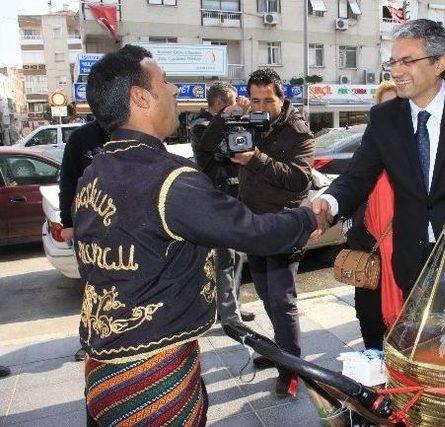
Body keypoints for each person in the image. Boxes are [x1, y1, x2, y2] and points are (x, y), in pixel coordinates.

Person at [79, 45, 318, 426]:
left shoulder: (97, 168)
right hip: (153, 374)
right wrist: (310, 216)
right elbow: (252, 231)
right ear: (141, 97)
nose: (175, 91)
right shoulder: (169, 178)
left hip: (103, 365)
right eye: (166, 82)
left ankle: (286, 362)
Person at [313, 19, 445, 300]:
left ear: (439, 63)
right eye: (392, 62)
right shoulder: (385, 118)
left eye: (407, 61)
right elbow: (357, 177)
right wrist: (328, 204)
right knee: (422, 344)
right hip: (413, 262)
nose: (396, 71)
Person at [202, 69, 315, 398]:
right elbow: (208, 150)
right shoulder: (245, 121)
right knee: (266, 295)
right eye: (255, 99)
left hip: (282, 226)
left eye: (269, 99)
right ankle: (280, 351)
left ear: (282, 99)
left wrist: (256, 159)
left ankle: (291, 369)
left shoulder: (297, 130)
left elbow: (299, 179)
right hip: (253, 225)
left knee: (281, 299)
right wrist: (225, 119)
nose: (262, 106)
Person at [191, 81, 255, 323]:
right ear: (220, 104)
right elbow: (224, 151)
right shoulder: (200, 125)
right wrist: (237, 117)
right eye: (233, 102)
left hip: (231, 196)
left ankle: (231, 307)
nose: (239, 105)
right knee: (225, 257)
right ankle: (228, 314)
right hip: (217, 197)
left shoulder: (220, 121)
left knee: (235, 255)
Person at [348, 80, 400, 350]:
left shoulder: (421, 155)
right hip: (370, 248)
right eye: (384, 107)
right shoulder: (366, 151)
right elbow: (351, 188)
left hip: (406, 254)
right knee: (369, 321)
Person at [59, 119, 109, 363]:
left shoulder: (130, 131)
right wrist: (66, 223)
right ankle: (90, 342)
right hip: (89, 226)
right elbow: (67, 180)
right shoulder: (81, 138)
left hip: (125, 227)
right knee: (92, 286)